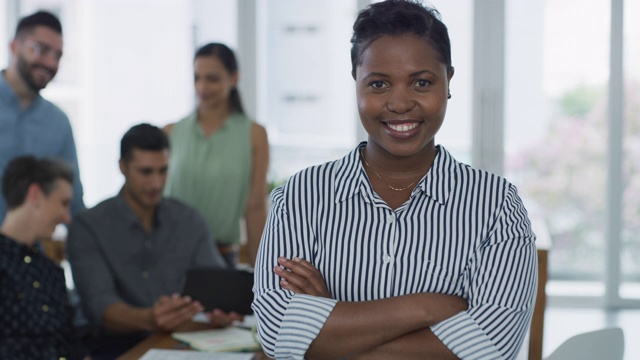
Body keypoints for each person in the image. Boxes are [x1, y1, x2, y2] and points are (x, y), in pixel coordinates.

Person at [252, 1, 538, 359]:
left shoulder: (496, 206)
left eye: (421, 82)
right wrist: (428, 308)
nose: (400, 103)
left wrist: (332, 321)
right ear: (356, 82)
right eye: (379, 84)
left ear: (448, 81)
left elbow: (490, 349)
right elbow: (278, 336)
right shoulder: (299, 198)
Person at [67, 124, 242, 358]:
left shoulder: (189, 219)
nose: (156, 184)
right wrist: (150, 318)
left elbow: (215, 286)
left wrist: (221, 310)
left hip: (186, 342)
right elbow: (100, 306)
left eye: (163, 170)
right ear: (123, 167)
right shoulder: (88, 227)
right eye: (146, 172)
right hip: (115, 347)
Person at [164, 43, 269, 268]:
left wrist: (261, 279)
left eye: (212, 78)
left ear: (234, 78)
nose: (202, 86)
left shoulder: (254, 135)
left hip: (220, 260)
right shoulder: (171, 132)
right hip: (167, 256)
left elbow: (255, 207)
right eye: (197, 78)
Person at [0, 10, 84, 222]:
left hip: (30, 252)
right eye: (41, 50)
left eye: (57, 56)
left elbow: (73, 201)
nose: (50, 63)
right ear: (14, 47)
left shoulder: (58, 123)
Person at [0, 156, 86, 359]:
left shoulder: (51, 271)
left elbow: (71, 342)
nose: (67, 217)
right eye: (63, 203)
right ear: (35, 194)